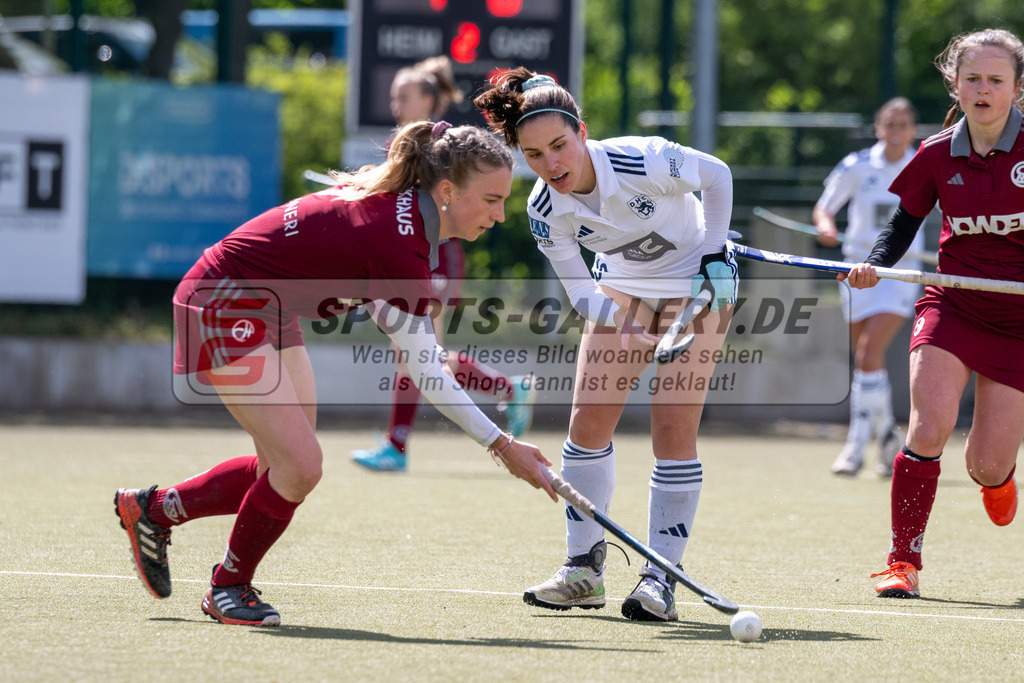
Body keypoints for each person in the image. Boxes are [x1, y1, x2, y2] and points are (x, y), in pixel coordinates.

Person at [114, 121, 558, 627]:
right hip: (221, 299)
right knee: (300, 465)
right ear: (449, 191)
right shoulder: (399, 240)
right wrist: (502, 446)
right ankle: (227, 588)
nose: (500, 216)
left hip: (269, 308)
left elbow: (409, 338)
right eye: (492, 200)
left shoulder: (409, 221)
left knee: (280, 467)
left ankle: (154, 510)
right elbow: (429, 373)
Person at [474, 68, 737, 622]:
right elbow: (581, 292)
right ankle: (583, 570)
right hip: (622, 286)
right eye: (534, 154)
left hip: (699, 280)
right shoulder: (546, 212)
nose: (551, 165)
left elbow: (716, 176)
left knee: (672, 428)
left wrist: (715, 254)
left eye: (559, 146)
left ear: (582, 133)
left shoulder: (643, 158)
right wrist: (630, 324)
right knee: (587, 423)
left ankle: (659, 579)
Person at [841, 28, 1024, 599]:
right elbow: (902, 224)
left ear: (1017, 88)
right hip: (953, 306)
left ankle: (999, 479)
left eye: (996, 79)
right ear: (956, 83)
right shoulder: (937, 152)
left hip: (1018, 323)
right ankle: (903, 562)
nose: (983, 89)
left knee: (987, 467)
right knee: (927, 425)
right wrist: (872, 264)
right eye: (972, 78)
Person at [351, 56, 535, 472]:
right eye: (394, 97)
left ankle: (396, 446)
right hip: (423, 257)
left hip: (435, 258)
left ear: (429, 100)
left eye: (404, 96)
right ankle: (507, 388)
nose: (396, 105)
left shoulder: (441, 151)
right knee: (420, 352)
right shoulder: (409, 145)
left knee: (415, 351)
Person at [813, 97, 926, 477]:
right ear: (879, 128)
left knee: (867, 353)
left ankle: (855, 449)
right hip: (856, 272)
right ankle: (889, 442)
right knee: (867, 363)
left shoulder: (923, 164)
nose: (896, 131)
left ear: (913, 129)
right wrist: (826, 226)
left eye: (903, 125)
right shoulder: (857, 166)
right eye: (889, 124)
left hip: (900, 274)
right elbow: (825, 207)